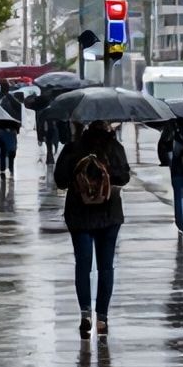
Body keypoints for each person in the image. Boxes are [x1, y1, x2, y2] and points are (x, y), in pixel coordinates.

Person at [54, 121, 131, 337]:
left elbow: (60, 180)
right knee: (106, 267)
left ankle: (85, 313)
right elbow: (124, 177)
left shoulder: (73, 147)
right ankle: (102, 319)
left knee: (83, 265)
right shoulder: (115, 148)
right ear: (107, 126)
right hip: (109, 214)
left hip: (79, 215)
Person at [0, 86, 22, 179]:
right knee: (10, 152)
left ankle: (5, 170)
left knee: (5, 151)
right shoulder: (7, 101)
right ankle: (9, 169)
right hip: (7, 131)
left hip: (3, 131)